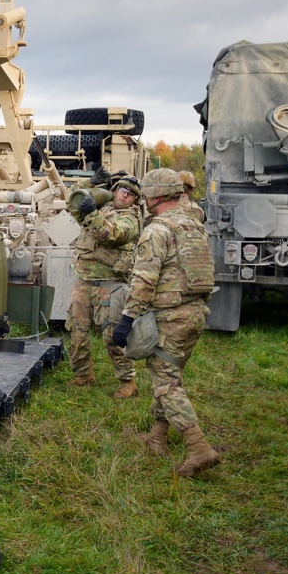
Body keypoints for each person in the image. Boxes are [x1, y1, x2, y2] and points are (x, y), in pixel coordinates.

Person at [112, 168, 220, 477]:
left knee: (165, 384)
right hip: (195, 313)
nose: (144, 199)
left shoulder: (158, 230)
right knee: (170, 375)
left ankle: (199, 449)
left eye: (145, 194)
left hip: (171, 317)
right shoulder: (193, 225)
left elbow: (144, 280)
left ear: (156, 196)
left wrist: (127, 319)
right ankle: (157, 438)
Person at [67, 174, 144, 398]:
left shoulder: (131, 219)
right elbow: (71, 201)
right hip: (84, 281)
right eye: (122, 190)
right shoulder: (102, 207)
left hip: (111, 285)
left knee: (112, 336)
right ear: (116, 189)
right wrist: (89, 183)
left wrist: (92, 213)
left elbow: (112, 235)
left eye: (130, 194)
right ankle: (83, 374)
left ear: (135, 200)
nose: (124, 195)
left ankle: (127, 381)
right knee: (77, 333)